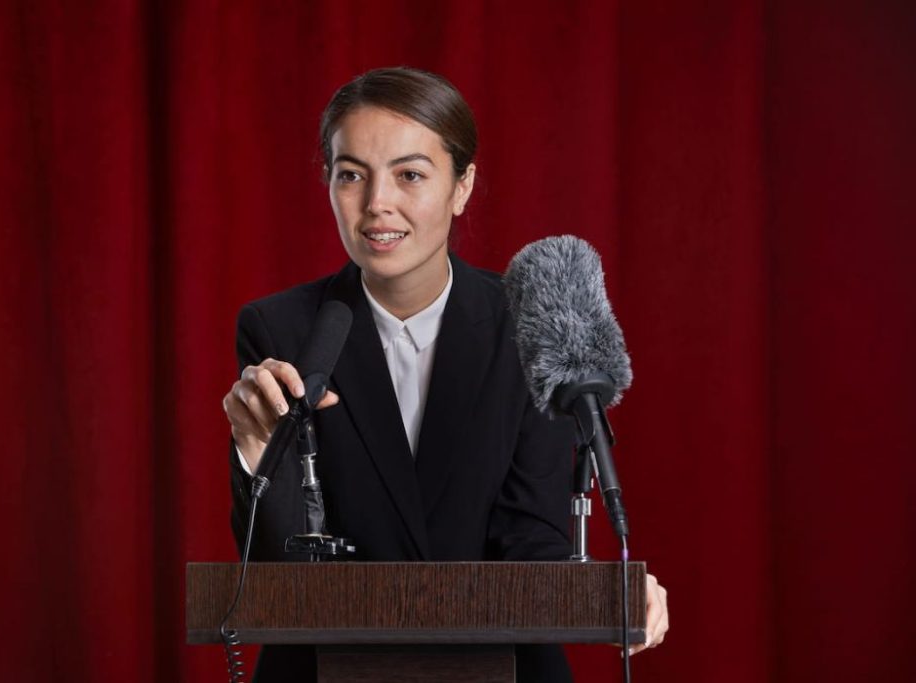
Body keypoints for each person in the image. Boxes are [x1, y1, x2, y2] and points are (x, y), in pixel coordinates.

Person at [223, 66, 669, 682]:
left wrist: (600, 589)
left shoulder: (529, 321)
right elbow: (283, 573)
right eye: (351, 174)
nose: (377, 203)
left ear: (462, 186)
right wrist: (255, 457)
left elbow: (531, 543)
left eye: (410, 174)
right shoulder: (281, 330)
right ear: (328, 182)